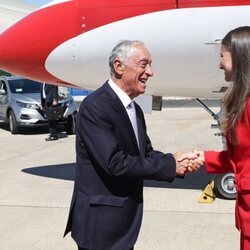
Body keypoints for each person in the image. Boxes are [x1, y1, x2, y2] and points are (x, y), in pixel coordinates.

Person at [64, 40, 202, 250]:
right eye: (143, 64)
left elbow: (144, 154)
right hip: (101, 227)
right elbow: (114, 162)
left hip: (122, 226)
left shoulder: (133, 109)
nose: (151, 72)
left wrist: (175, 160)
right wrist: (170, 166)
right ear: (119, 66)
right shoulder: (96, 107)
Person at [197, 26, 250, 250]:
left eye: (222, 56)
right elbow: (239, 158)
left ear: (239, 57)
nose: (219, 64)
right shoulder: (242, 102)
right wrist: (201, 157)